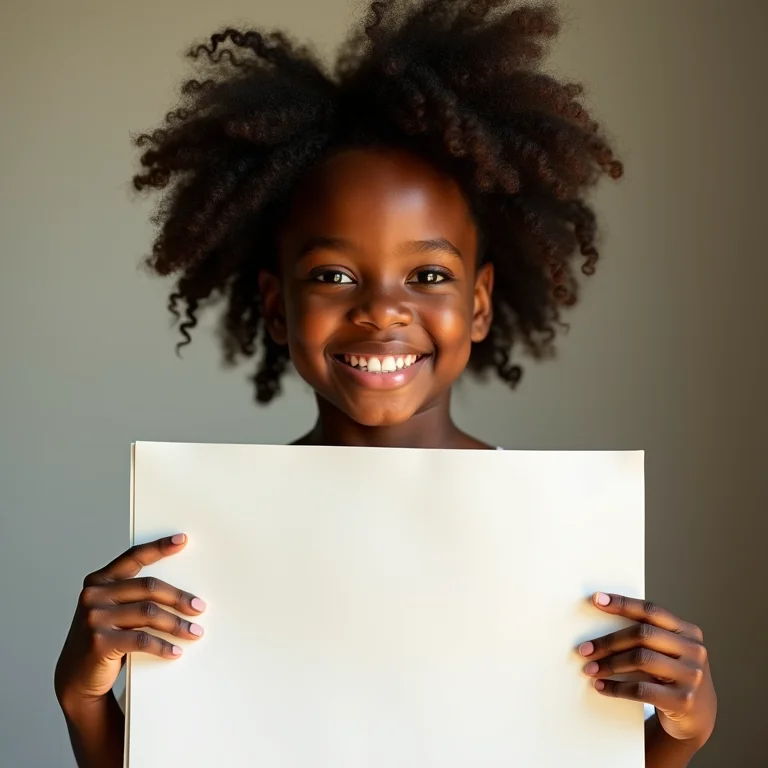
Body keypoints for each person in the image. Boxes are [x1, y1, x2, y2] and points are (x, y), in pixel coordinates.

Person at [54, 1, 717, 765]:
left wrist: (679, 735)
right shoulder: (207, 540)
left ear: (477, 304)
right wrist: (85, 698)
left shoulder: (560, 539)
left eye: (428, 274)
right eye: (333, 274)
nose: (380, 311)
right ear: (277, 306)